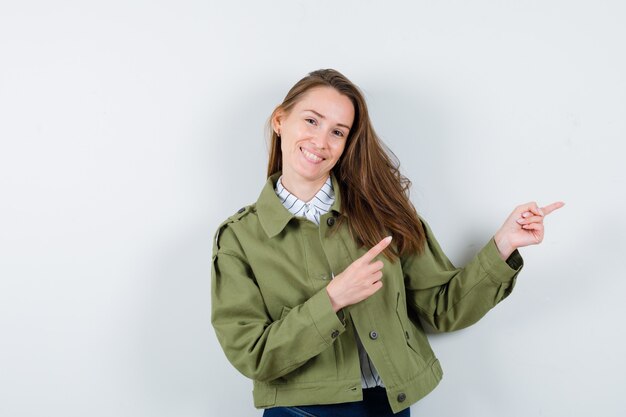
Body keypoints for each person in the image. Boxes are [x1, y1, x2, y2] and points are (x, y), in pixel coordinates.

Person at [211, 69, 564, 417]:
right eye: (311, 121)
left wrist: (502, 245)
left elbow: (442, 309)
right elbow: (251, 354)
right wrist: (332, 300)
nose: (321, 142)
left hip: (390, 407)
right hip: (301, 412)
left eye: (338, 131)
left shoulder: (383, 214)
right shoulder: (239, 238)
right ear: (279, 121)